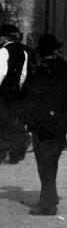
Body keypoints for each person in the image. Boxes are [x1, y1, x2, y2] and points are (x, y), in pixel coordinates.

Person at [21, 34, 67, 217]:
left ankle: (47, 204)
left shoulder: (37, 72)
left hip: (42, 125)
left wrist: (25, 121)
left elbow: (27, 99)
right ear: (56, 51)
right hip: (60, 125)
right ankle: (51, 197)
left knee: (44, 164)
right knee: (52, 162)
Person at [0, 23, 30, 164]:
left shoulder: (3, 51)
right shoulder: (23, 52)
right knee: (14, 122)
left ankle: (1, 153)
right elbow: (23, 75)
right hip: (16, 92)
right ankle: (15, 154)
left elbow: (1, 73)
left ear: (5, 38)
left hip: (3, 92)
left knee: (2, 122)